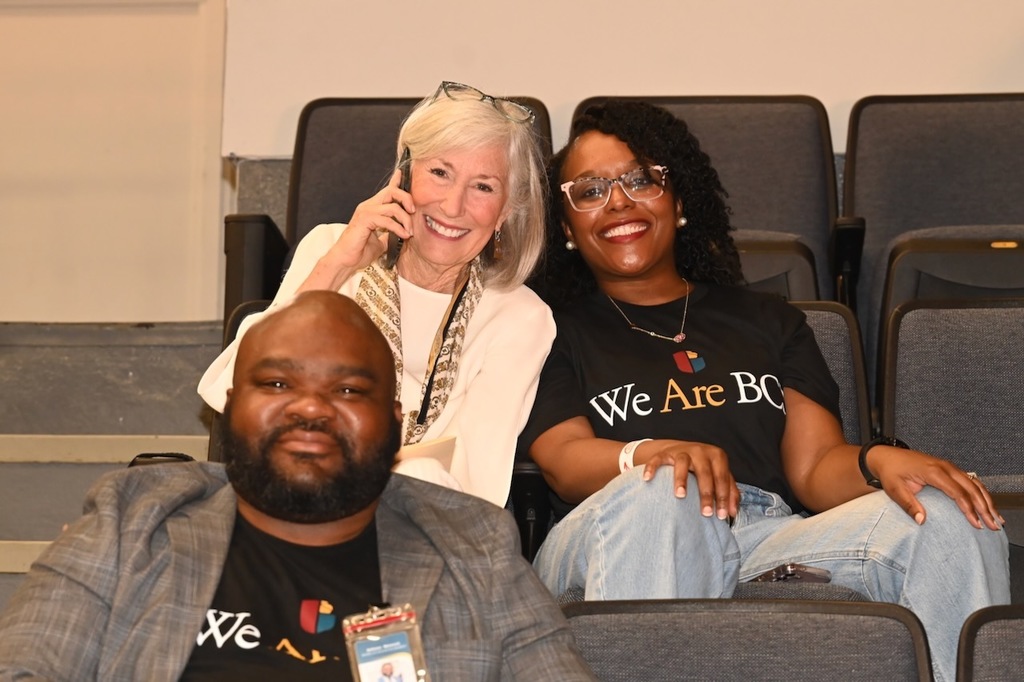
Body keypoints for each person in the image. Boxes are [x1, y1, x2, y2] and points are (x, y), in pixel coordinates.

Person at [520, 100, 1009, 682]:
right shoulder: (549, 328)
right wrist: (646, 455)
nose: (619, 200)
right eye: (591, 190)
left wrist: (878, 459)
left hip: (764, 531)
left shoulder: (768, 320)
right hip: (615, 527)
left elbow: (814, 468)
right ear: (568, 227)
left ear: (678, 203)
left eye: (640, 179)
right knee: (665, 491)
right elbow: (562, 461)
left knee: (949, 511)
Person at [0, 291, 594, 681]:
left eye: (348, 390)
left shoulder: (474, 545)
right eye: (278, 384)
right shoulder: (131, 520)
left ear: (394, 422)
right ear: (231, 408)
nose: (311, 409)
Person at [199, 81, 554, 507]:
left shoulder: (522, 317)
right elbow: (234, 393)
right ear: (403, 176)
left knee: (420, 474)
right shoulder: (329, 249)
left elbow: (476, 486)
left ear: (506, 213)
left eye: (483, 187)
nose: (453, 206)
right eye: (440, 173)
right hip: (296, 498)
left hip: (420, 527)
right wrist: (338, 266)